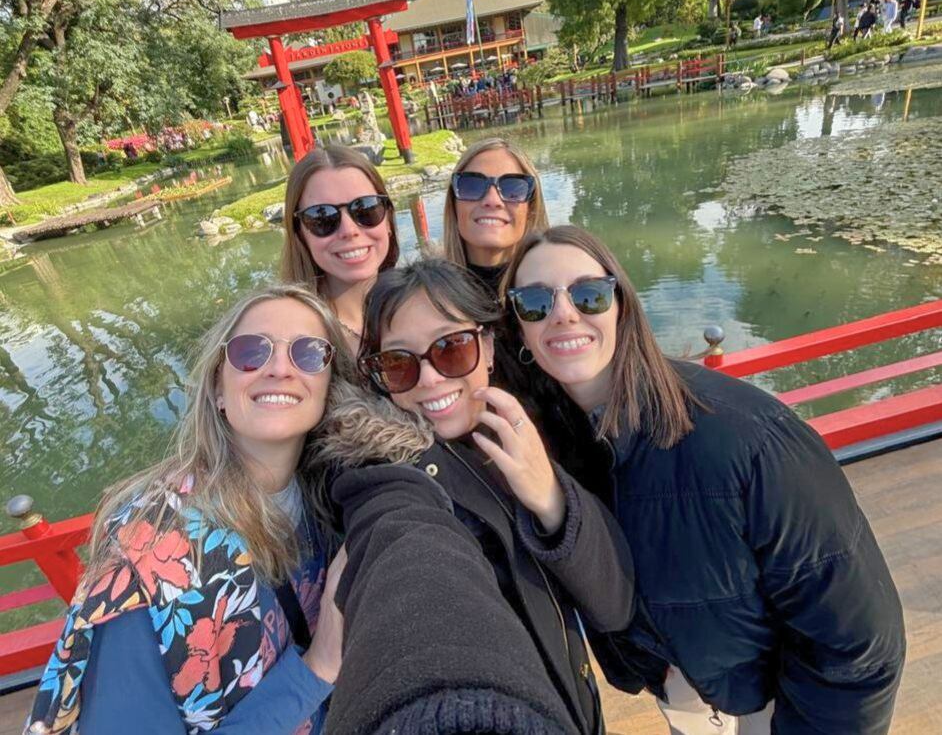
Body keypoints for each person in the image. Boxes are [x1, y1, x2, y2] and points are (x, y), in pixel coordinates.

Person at [503, 225, 906, 735]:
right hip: (686, 693)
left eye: (588, 293)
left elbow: (858, 644)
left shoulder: (749, 440)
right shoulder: (557, 444)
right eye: (535, 302)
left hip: (776, 707)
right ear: (518, 328)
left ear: (621, 304)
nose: (564, 312)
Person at [326, 258, 636, 734]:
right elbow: (407, 560)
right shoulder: (384, 474)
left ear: (488, 347)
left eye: (451, 348)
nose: (429, 379)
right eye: (398, 362)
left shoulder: (520, 435)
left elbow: (614, 603)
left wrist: (551, 497)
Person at [26, 285, 352, 734]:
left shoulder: (331, 497)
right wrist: (320, 665)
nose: (279, 368)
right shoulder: (149, 564)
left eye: (309, 353)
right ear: (218, 388)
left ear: (330, 385)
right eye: (251, 351)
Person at [281, 145, 399, 352]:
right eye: (322, 217)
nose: (349, 230)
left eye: (366, 209)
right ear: (300, 234)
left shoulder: (424, 304)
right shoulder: (294, 342)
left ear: (388, 219)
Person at [443, 137, 550, 295]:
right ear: (454, 203)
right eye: (472, 185)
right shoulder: (423, 299)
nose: (492, 200)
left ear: (531, 208)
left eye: (513, 188)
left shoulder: (563, 293)